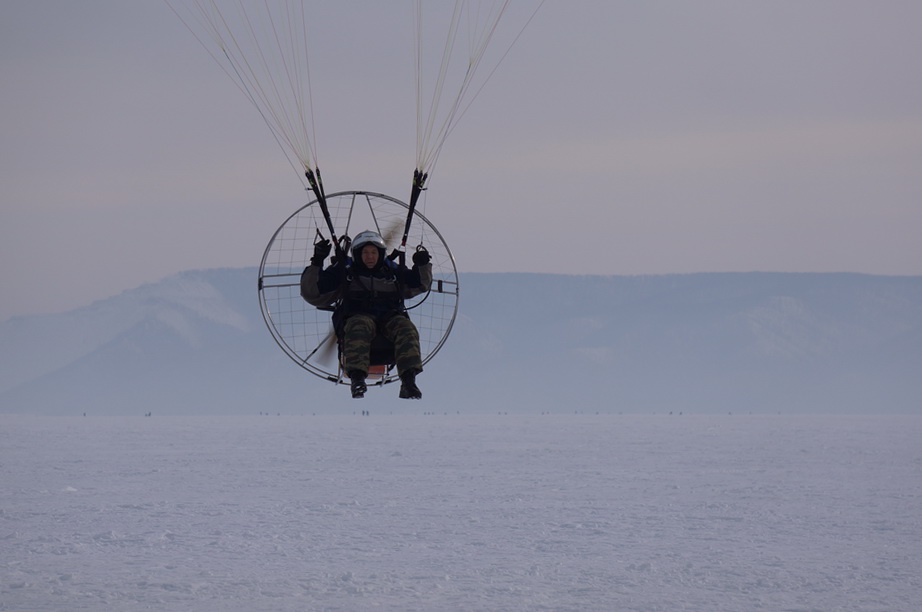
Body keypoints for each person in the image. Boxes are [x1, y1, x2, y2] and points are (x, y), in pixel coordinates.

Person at [301, 230, 432, 399]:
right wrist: (317, 261)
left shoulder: (392, 272)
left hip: (389, 319)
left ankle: (408, 381)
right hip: (358, 318)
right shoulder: (345, 273)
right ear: (357, 254)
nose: (370, 257)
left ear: (381, 254)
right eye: (365, 252)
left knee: (406, 328)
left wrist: (422, 265)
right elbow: (312, 293)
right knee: (359, 325)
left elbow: (420, 284)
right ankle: (357, 380)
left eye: (374, 252)